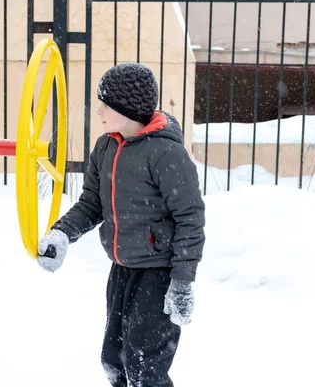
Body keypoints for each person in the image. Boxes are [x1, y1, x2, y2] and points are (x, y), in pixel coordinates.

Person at [36, 63, 206, 387]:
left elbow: (191, 219)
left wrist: (182, 282)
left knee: (145, 365)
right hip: (122, 269)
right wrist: (62, 233)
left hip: (159, 273)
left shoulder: (166, 153)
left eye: (105, 105)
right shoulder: (106, 147)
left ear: (127, 110)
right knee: (114, 360)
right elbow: (91, 204)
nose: (99, 112)